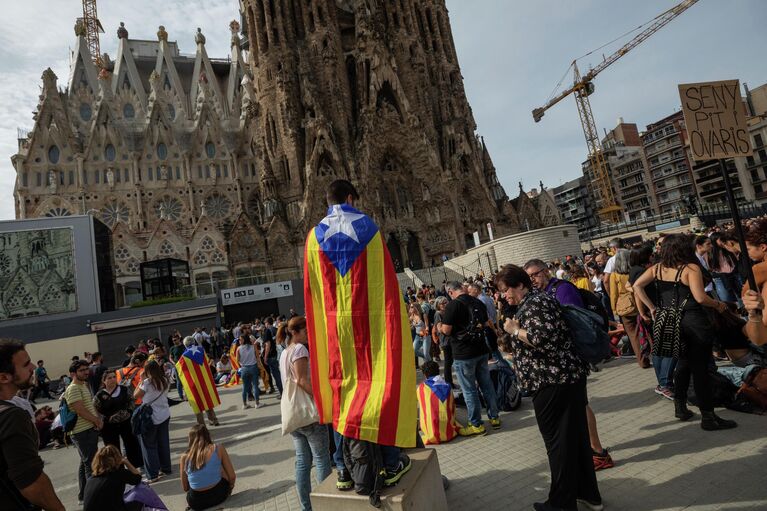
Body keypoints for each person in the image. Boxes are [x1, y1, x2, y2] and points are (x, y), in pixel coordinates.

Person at [304, 179, 413, 491]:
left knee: (342, 401)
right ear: (350, 197)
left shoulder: (313, 237)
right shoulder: (370, 228)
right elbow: (386, 288)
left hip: (336, 340)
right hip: (371, 337)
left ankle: (343, 470)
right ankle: (391, 463)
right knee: (379, 392)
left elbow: (314, 294)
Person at [495, 265, 602, 511]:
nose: (504, 295)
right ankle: (589, 495)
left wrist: (514, 330)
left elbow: (543, 340)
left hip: (552, 383)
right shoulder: (538, 301)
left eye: (505, 289)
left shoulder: (535, 304)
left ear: (520, 284)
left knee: (558, 444)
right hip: (565, 379)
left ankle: (561, 504)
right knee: (574, 440)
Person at [633, 233, 738, 430]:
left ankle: (680, 407)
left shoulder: (657, 268)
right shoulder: (690, 268)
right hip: (693, 321)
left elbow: (637, 285)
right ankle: (708, 417)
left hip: (670, 322)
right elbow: (700, 298)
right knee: (700, 369)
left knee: (682, 364)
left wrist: (652, 308)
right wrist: (718, 305)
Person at [524, 258, 613, 471]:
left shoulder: (562, 289)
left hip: (572, 357)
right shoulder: (542, 293)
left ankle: (598, 452)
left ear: (546, 271)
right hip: (563, 359)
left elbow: (575, 321)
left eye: (535, 274)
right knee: (577, 405)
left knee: (581, 404)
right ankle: (589, 449)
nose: (532, 280)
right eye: (528, 277)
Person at [0, 340, 65, 510]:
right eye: (26, 364)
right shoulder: (11, 416)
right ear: (4, 377)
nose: (33, 367)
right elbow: (32, 482)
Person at [279, 317, 332, 511]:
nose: (309, 334)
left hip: (294, 415)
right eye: (306, 330)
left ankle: (306, 507)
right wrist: (321, 400)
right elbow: (301, 380)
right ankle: (325, 503)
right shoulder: (299, 349)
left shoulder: (284, 352)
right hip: (308, 412)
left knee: (302, 462)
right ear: (296, 332)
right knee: (321, 458)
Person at [440, 281, 500, 436]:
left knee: (469, 390)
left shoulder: (453, 305)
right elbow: (486, 322)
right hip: (481, 350)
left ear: (451, 292)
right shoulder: (477, 301)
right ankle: (494, 417)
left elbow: (446, 331)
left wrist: (439, 327)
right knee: (486, 385)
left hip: (463, 353)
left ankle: (476, 424)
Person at [65, 359, 103, 503]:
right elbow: (80, 410)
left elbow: (88, 407)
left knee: (85, 462)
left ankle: (84, 495)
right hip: (82, 432)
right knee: (91, 464)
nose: (86, 372)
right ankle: (93, 498)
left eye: (87, 369)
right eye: (82, 370)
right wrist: (97, 420)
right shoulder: (74, 388)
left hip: (87, 429)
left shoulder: (83, 385)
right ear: (73, 373)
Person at [93, 370, 143, 469]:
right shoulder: (99, 395)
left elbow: (131, 401)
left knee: (132, 444)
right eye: (109, 378)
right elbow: (95, 409)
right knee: (112, 448)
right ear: (104, 381)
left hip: (126, 422)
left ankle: (137, 466)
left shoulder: (124, 389)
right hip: (109, 426)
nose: (112, 379)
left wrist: (128, 412)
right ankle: (117, 469)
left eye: (114, 377)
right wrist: (104, 419)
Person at [609, 249, 648, 368]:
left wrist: (614, 309)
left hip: (624, 306)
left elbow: (614, 294)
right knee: (646, 330)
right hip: (639, 302)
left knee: (633, 335)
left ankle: (642, 361)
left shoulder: (615, 275)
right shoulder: (635, 271)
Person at [181, 425, 236, 511]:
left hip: (196, 502)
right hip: (219, 495)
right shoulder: (218, 448)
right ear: (208, 435)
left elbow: (185, 488)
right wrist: (230, 487)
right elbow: (232, 476)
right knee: (221, 469)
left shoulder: (185, 457)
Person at [134, 360, 172, 482]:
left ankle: (153, 474)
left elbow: (135, 395)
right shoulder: (165, 379)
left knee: (149, 445)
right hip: (164, 414)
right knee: (163, 442)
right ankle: (166, 468)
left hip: (150, 417)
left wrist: (141, 379)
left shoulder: (146, 382)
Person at [83, 445, 142, 511]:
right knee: (140, 500)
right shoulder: (118, 474)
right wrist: (126, 462)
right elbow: (138, 478)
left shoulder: (91, 478)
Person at [417, 361, 462, 445]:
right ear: (438, 371)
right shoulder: (448, 386)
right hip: (449, 432)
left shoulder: (421, 388)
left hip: (432, 433)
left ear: (425, 375)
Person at [237, 327, 262, 410]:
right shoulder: (253, 346)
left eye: (240, 340)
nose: (239, 341)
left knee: (245, 386)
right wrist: (259, 365)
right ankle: (257, 403)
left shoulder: (238, 349)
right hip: (253, 367)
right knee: (255, 385)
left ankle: (244, 404)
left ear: (244, 340)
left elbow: (237, 360)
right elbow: (257, 357)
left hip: (244, 368)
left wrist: (241, 365)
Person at [433, 296, 454, 387]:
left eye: (445, 302)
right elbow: (439, 328)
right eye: (442, 303)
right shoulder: (438, 314)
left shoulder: (447, 312)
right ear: (438, 305)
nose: (444, 304)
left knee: (451, 361)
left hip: (451, 339)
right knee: (448, 363)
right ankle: (449, 383)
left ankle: (450, 382)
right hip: (446, 341)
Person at [261, 317, 283, 397]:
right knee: (277, 374)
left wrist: (265, 356)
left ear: (267, 323)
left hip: (271, 354)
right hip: (277, 352)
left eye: (265, 323)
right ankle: (281, 391)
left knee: (275, 375)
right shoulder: (276, 329)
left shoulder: (267, 331)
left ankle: (281, 392)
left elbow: (268, 344)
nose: (264, 324)